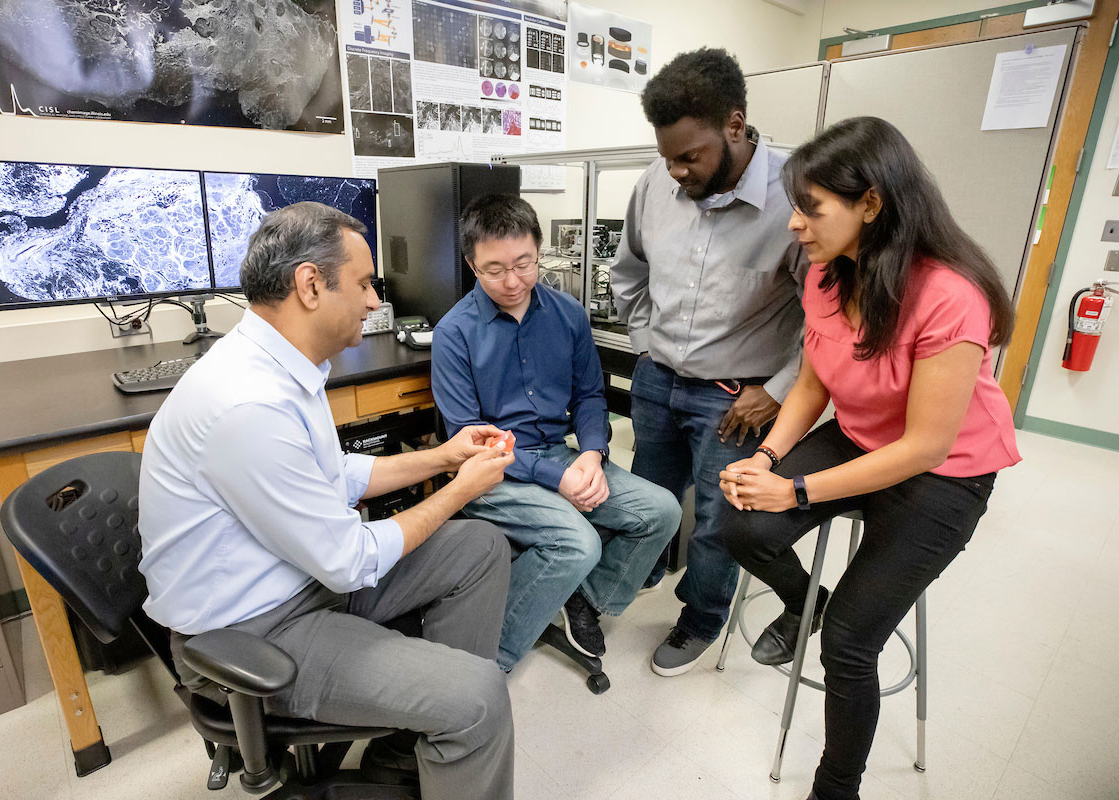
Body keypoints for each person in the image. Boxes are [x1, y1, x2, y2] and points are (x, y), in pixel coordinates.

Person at [138, 202, 517, 800]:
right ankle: (452, 716)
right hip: (253, 630)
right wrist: (460, 490)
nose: (373, 301)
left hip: (304, 580)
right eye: (364, 284)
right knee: (478, 697)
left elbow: (335, 476)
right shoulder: (247, 404)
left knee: (481, 546)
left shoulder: (287, 365)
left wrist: (446, 457)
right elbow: (348, 560)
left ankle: (412, 743)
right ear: (311, 285)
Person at [719, 116, 1021, 800]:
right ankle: (808, 601)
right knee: (738, 522)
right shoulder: (828, 276)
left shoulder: (949, 296)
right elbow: (813, 381)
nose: (795, 225)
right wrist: (767, 460)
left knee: (851, 645)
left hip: (944, 472)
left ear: (871, 204)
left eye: (810, 208)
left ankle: (835, 788)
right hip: (861, 434)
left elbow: (926, 445)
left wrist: (798, 493)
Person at [610, 47, 810, 676]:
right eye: (667, 156)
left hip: (737, 397)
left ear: (734, 124)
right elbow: (629, 272)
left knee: (719, 521)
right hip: (657, 379)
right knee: (651, 495)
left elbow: (826, 322)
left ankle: (700, 615)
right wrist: (647, 345)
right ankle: (640, 574)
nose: (675, 171)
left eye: (689, 156)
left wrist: (778, 388)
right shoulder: (655, 182)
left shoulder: (795, 197)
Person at [431, 193, 682, 671]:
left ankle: (580, 596)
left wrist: (592, 453)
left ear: (539, 249)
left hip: (560, 453)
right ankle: (487, 663)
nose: (512, 281)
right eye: (494, 269)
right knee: (577, 541)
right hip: (490, 473)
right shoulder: (454, 334)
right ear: (471, 264)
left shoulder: (568, 314)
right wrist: (557, 478)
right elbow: (470, 440)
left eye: (524, 263)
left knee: (662, 511)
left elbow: (590, 396)